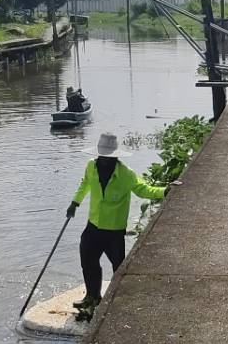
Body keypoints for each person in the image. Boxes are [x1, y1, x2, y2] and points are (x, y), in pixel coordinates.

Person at [66, 132, 168, 319]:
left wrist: (164, 191)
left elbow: (143, 190)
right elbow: (85, 183)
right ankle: (92, 297)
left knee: (119, 268)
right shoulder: (91, 166)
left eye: (108, 157)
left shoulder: (126, 174)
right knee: (88, 262)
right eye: (102, 156)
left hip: (114, 232)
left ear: (115, 156)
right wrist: (75, 203)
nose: (104, 160)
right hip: (93, 226)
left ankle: (119, 302)